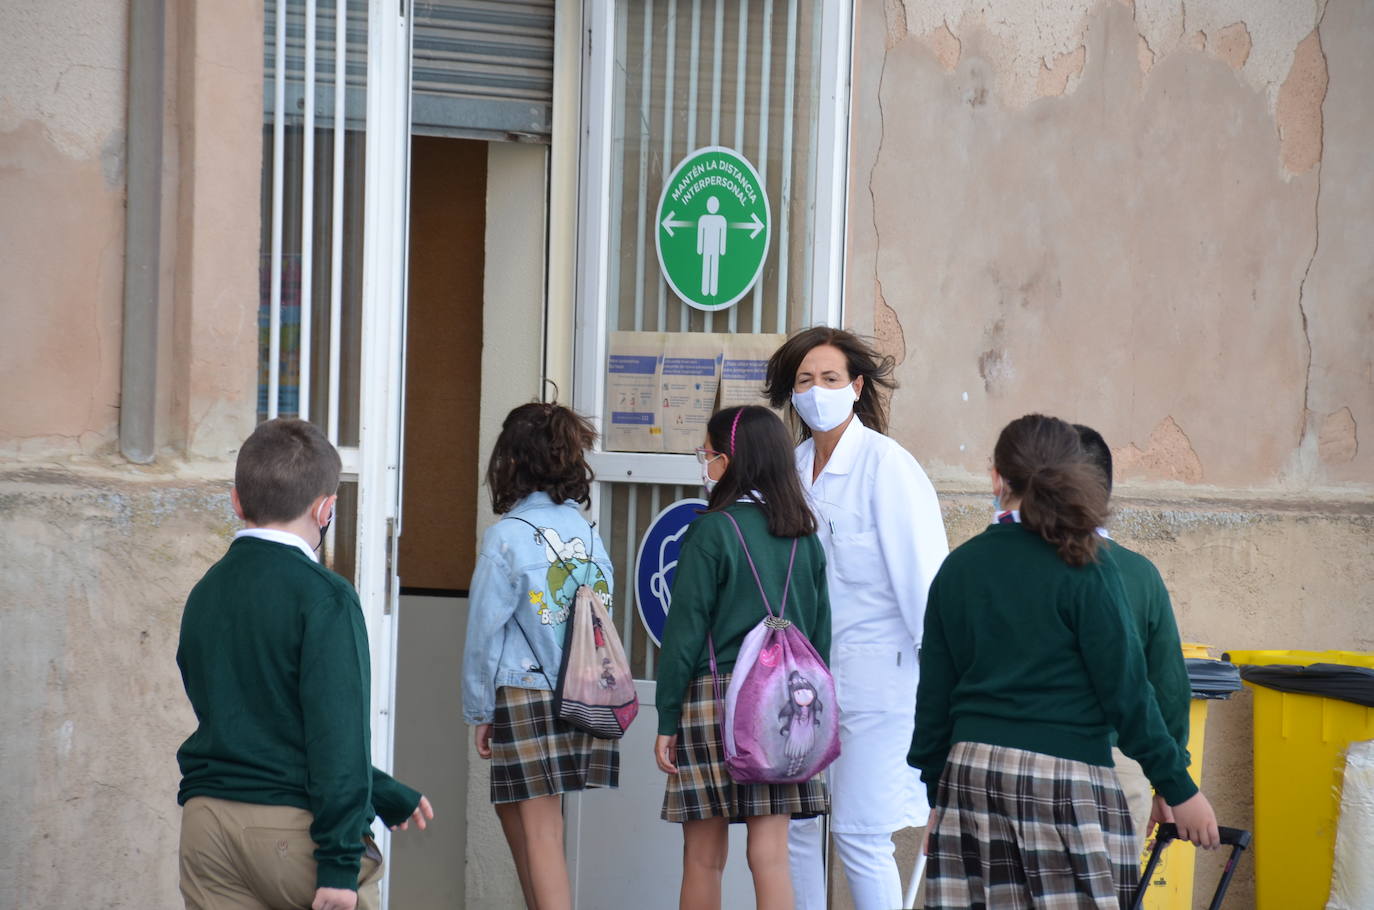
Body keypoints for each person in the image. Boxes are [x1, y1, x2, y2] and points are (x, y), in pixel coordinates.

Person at [908, 413, 1219, 909]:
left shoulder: (959, 566)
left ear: (997, 477)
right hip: (1065, 777)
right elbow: (1129, 692)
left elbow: (934, 697)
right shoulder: (1086, 565)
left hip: (969, 775)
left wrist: (935, 797)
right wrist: (1179, 786)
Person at [176, 418, 433, 910]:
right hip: (291, 831)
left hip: (206, 826)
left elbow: (257, 722)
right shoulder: (327, 597)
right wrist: (339, 865)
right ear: (326, 508)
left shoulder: (205, 591)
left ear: (236, 500)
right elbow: (334, 733)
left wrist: (375, 787)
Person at [764, 327, 948, 910]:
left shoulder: (887, 468)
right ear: (790, 395)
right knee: (796, 827)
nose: (817, 391)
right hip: (802, 685)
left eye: (830, 378)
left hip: (880, 684)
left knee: (861, 834)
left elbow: (926, 591)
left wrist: (949, 696)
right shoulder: (788, 472)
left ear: (857, 386)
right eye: (803, 381)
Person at [655, 405, 832, 910]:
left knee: (703, 857)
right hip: (786, 706)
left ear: (730, 461)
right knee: (771, 855)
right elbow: (822, 637)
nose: (704, 464)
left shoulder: (712, 531)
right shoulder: (805, 536)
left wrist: (668, 716)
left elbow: (685, 633)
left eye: (708, 454)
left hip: (716, 699)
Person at [462, 403, 619, 910]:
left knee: (540, 833)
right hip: (580, 692)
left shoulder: (505, 537)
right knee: (520, 820)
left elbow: (484, 633)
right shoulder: (589, 535)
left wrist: (479, 710)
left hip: (525, 694)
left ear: (512, 460)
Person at [1075, 423, 1193, 858]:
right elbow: (1168, 685)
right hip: (1117, 767)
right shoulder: (1137, 574)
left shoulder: (1009, 569)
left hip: (1019, 764)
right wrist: (1170, 779)